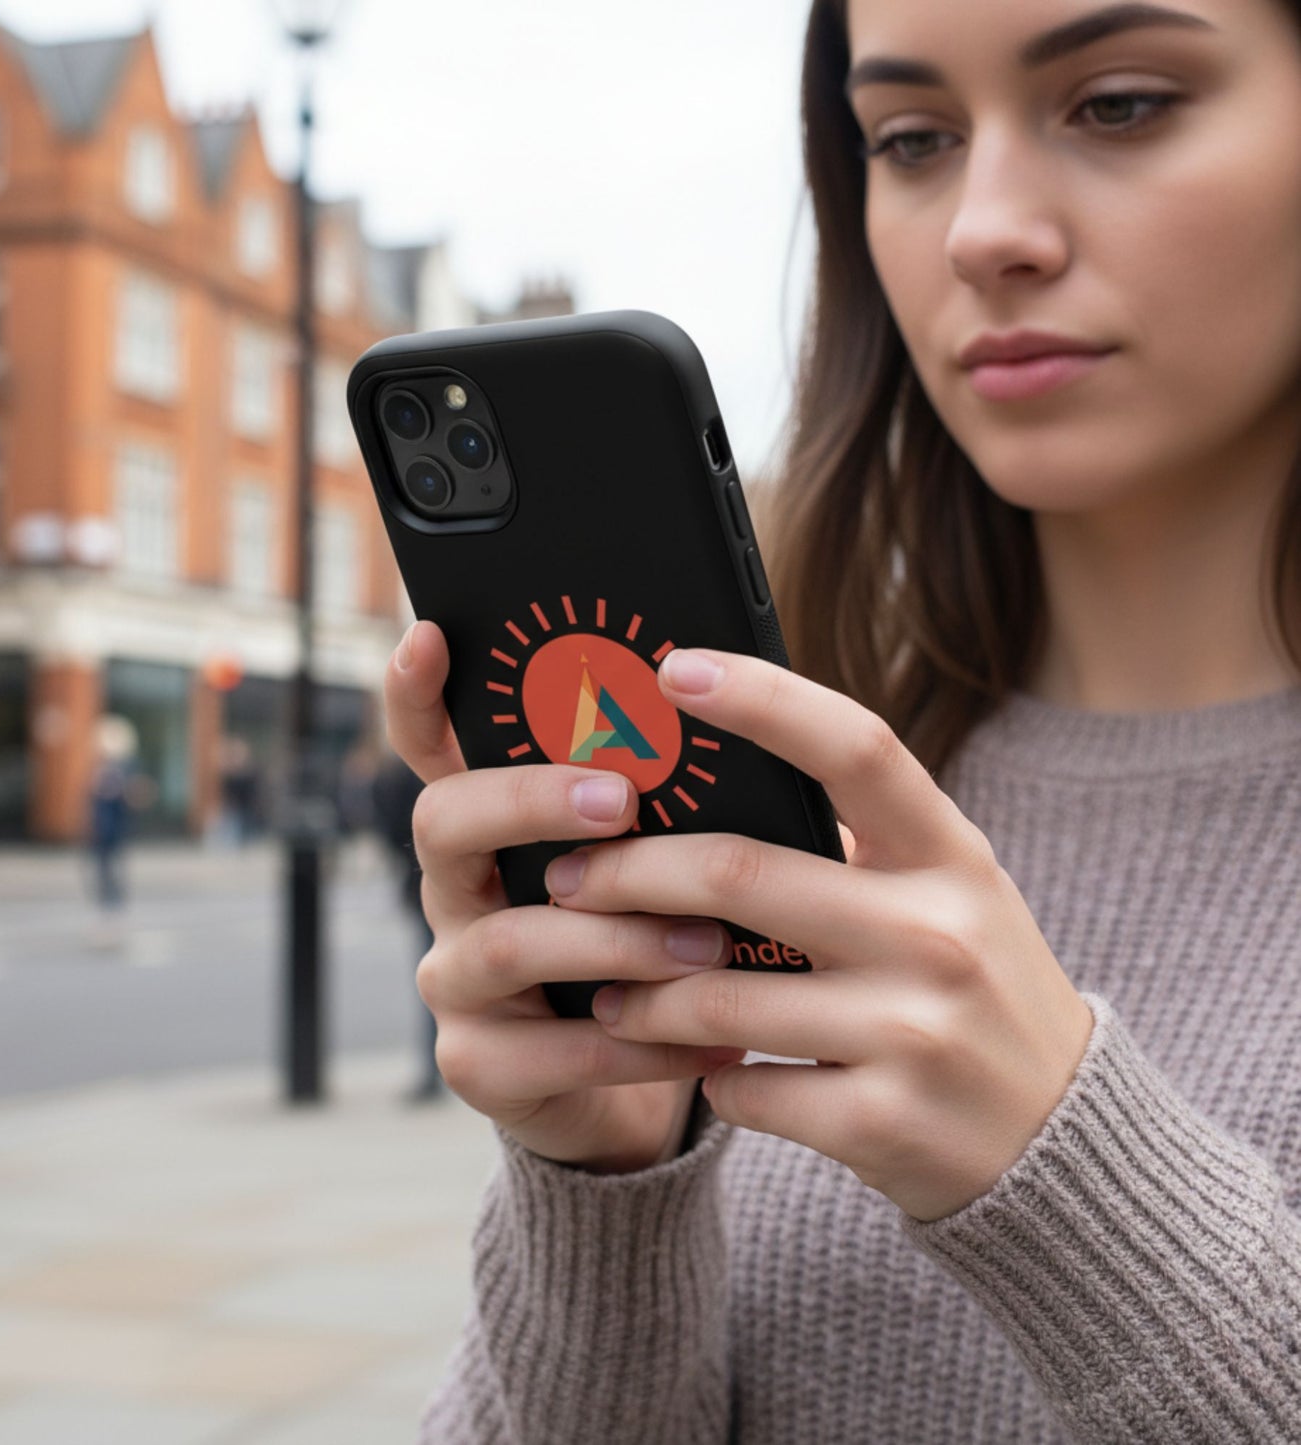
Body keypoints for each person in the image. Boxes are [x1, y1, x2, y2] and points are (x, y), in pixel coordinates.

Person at [390, 2, 1301, 1440]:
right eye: (914, 138)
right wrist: (606, 1190)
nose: (981, 229)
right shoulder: (803, 780)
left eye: (1120, 102)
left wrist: (1065, 1170)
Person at [370, 746, 445, 1103]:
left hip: (420, 884)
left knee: (432, 981)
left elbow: (386, 824)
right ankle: (439, 1068)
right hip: (440, 884)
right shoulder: (449, 762)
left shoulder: (401, 768)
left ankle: (434, 1069)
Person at [87, 715, 140, 937]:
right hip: (100, 833)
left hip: (114, 832)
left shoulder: (122, 770)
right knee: (102, 875)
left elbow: (133, 799)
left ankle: (113, 919)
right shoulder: (102, 769)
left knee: (112, 875)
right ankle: (108, 917)